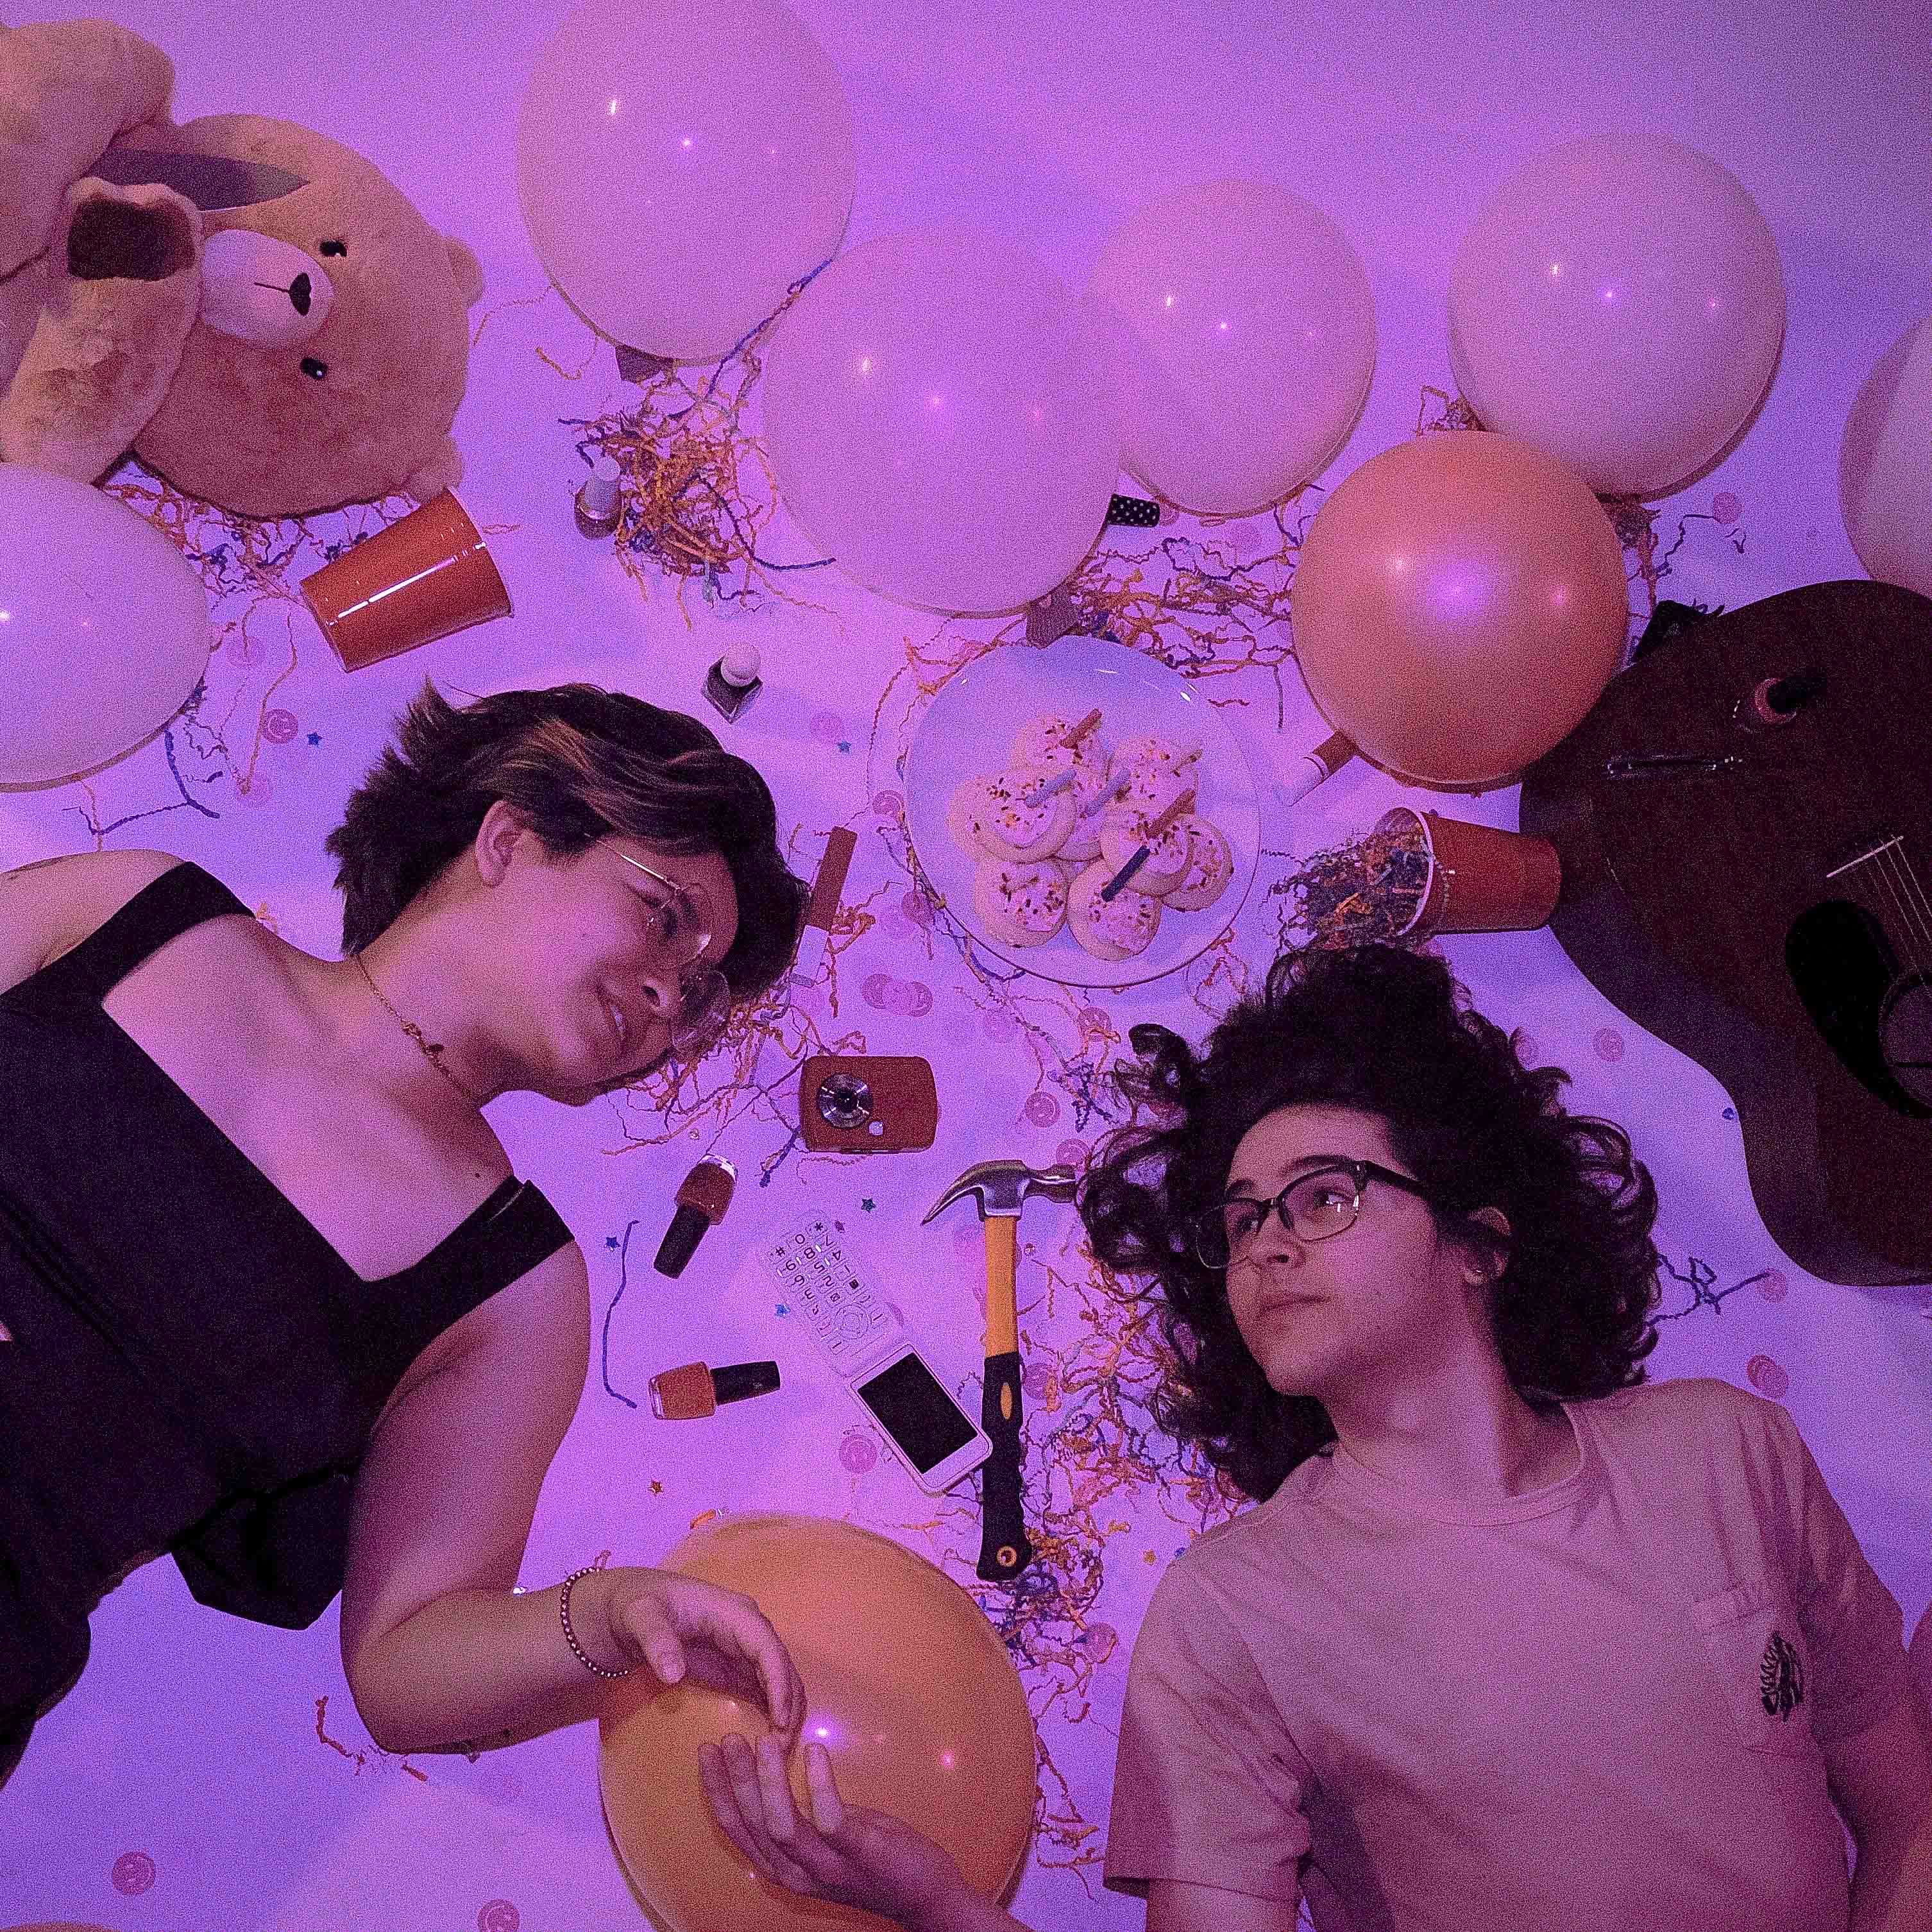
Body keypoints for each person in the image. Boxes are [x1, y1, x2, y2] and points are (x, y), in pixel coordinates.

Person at [702, 944, 1932, 1930]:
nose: (1268, 1246)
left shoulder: (1728, 1452)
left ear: (1478, 1244)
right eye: (1241, 1224)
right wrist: (936, 1905)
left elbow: (1911, 1812)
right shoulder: (1233, 1612)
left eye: (1323, 1197)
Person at [0, 681, 812, 1784]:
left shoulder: (516, 1284)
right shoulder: (135, 909)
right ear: (512, 836)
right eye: (664, 917)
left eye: (699, 989)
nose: (671, 996)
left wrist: (607, 1617)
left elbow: (403, 1669)